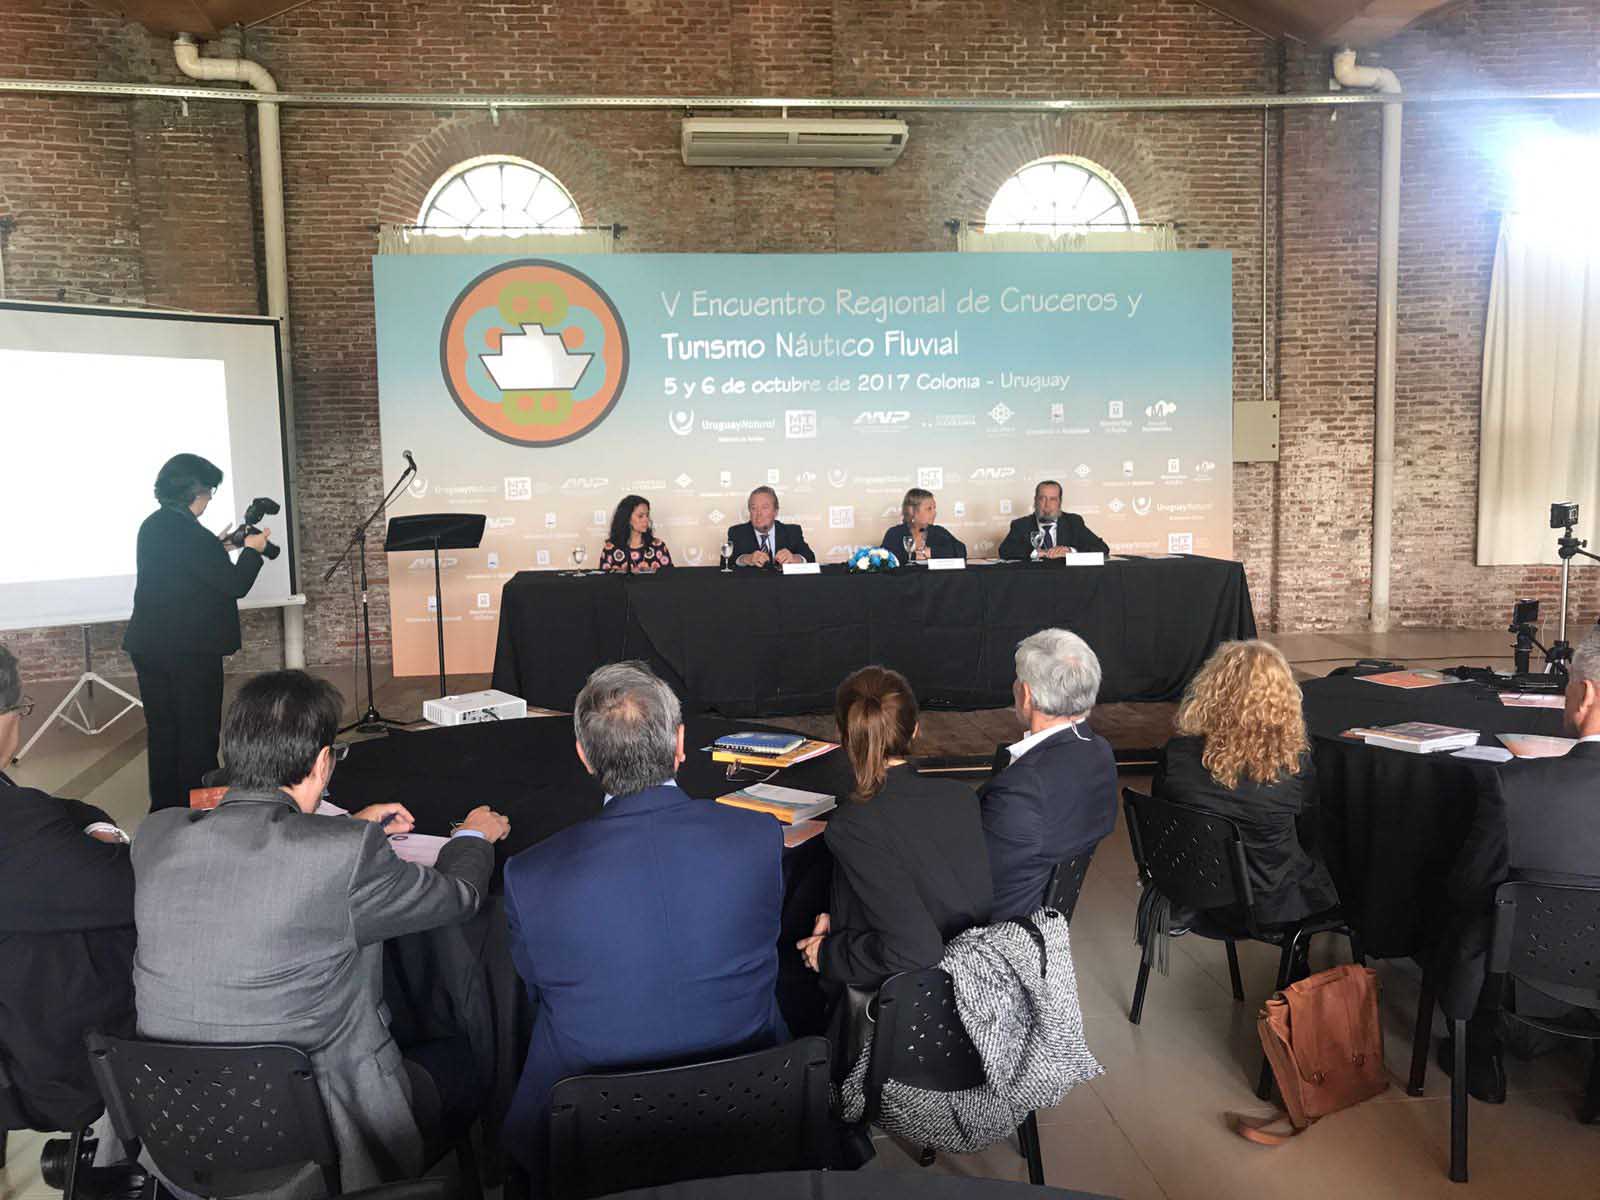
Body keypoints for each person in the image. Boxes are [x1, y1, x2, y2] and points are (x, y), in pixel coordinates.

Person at [131, 670, 510, 1195]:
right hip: (319, 1130)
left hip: (178, 1124)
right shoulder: (345, 854)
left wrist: (349, 828)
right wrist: (472, 835)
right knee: (475, 1055)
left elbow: (261, 866)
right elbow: (458, 897)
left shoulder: (156, 834)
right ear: (322, 762)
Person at [502, 661, 786, 1179]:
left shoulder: (531, 874)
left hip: (590, 1119)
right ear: (680, 743)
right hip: (752, 1093)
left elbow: (535, 987)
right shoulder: (758, 838)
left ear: (584, 756)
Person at [1432, 626, 1600, 1104]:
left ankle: (1480, 1055)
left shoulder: (1515, 785)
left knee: (1466, 915)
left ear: (1585, 695)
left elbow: (1469, 887)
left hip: (1521, 965)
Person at [0, 644, 137, 1137]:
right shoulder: (19, 831)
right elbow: (131, 888)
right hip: (32, 1073)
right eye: (20, 710)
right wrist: (105, 835)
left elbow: (51, 810)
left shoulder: (23, 817)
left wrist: (90, 820)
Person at [798, 666, 992, 989]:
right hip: (976, 982)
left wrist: (829, 953)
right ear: (915, 729)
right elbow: (939, 894)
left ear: (844, 737)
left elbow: (917, 950)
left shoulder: (853, 824)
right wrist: (841, 921)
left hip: (903, 1001)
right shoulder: (961, 797)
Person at [1152, 640, 1338, 927]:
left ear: (1211, 690)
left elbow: (1164, 822)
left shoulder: (1176, 754)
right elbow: (1309, 832)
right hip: (1272, 906)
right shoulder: (1293, 765)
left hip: (1196, 897)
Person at [123, 453, 271, 811]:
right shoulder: (192, 535)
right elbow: (234, 584)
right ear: (196, 491)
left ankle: (164, 811)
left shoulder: (154, 525)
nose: (208, 500)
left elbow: (183, 566)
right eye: (209, 492)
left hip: (150, 646)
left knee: (164, 733)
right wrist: (253, 551)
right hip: (189, 651)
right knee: (198, 735)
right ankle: (199, 815)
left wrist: (222, 546)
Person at [980, 629, 1117, 923]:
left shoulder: (1022, 790)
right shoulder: (1101, 753)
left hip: (996, 927)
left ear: (1026, 695)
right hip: (1044, 911)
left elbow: (973, 874)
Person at [998, 480, 1110, 560]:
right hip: (1033, 581)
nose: (1047, 505)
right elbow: (1004, 551)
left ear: (1060, 502)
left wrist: (1070, 551)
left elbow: (1102, 548)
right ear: (1035, 501)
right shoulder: (1021, 525)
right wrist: (1035, 552)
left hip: (1068, 580)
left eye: (1053, 499)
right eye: (1042, 499)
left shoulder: (1074, 522)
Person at [727, 486, 815, 567]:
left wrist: (794, 558)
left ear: (775, 511)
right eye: (754, 508)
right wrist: (746, 559)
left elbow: (810, 558)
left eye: (765, 507)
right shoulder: (737, 533)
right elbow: (725, 562)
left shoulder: (792, 532)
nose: (759, 514)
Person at [880, 488, 966, 563]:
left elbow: (961, 550)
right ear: (911, 511)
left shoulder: (938, 531)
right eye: (929, 509)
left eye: (934, 508)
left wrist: (931, 552)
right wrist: (913, 556)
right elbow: (885, 558)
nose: (934, 513)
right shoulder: (895, 533)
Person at [600, 494, 672, 573]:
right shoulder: (611, 549)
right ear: (627, 518)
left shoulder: (658, 546)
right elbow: (603, 579)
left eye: (647, 515)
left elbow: (671, 576)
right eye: (640, 516)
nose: (646, 520)